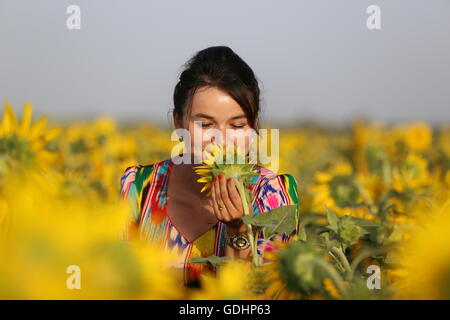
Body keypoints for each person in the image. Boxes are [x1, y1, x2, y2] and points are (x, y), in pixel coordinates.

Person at [119, 46, 300, 288]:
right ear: (178, 122)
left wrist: (238, 232)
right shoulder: (139, 188)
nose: (222, 141)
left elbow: (262, 293)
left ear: (254, 126)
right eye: (205, 124)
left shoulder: (274, 197)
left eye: (237, 126)